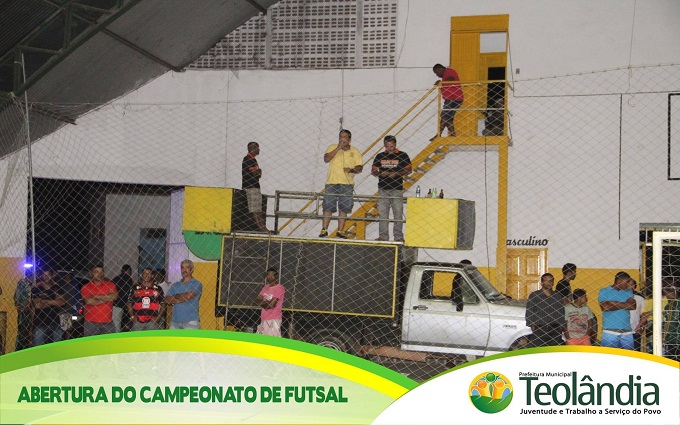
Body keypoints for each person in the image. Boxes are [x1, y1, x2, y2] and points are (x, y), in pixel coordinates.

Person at [319, 129, 363, 239]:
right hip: (331, 182)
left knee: (344, 207)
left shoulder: (355, 151)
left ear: (349, 139)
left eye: (344, 137)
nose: (342, 139)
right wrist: (338, 148)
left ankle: (340, 231)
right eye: (340, 137)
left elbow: (360, 167)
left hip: (347, 184)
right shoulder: (332, 147)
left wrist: (351, 170)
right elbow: (326, 159)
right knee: (328, 206)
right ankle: (324, 229)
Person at [371, 135, 412, 242]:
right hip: (383, 189)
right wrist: (381, 173)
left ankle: (398, 237)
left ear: (395, 144)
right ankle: (383, 236)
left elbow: (409, 169)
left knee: (398, 213)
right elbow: (373, 171)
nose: (390, 148)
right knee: (383, 214)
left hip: (397, 189)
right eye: (387, 146)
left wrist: (397, 174)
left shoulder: (402, 155)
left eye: (392, 146)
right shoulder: (380, 156)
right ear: (384, 145)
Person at [598, 271, 636, 350]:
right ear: (619, 281)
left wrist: (613, 302)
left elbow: (632, 306)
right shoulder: (604, 291)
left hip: (627, 331)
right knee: (609, 355)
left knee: (629, 356)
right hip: (610, 331)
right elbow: (605, 308)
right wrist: (624, 304)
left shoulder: (628, 292)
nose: (628, 284)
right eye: (627, 282)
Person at [525, 273, 565, 347]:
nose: (549, 283)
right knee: (539, 351)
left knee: (551, 351)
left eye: (551, 281)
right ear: (542, 283)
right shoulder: (535, 295)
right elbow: (529, 311)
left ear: (553, 282)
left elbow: (561, 312)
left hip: (554, 330)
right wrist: (532, 325)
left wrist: (561, 326)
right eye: (546, 281)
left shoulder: (557, 296)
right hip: (539, 329)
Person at [242, 142, 272, 234]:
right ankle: (262, 228)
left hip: (255, 186)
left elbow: (258, 174)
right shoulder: (248, 159)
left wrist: (258, 172)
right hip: (250, 187)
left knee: (258, 209)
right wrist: (258, 171)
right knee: (255, 210)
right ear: (252, 149)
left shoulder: (253, 160)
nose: (259, 150)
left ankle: (263, 227)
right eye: (257, 148)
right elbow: (256, 173)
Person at [31, 268, 66, 346]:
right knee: (38, 348)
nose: (46, 277)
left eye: (48, 275)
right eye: (44, 275)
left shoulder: (57, 288)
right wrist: (54, 301)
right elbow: (37, 305)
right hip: (40, 323)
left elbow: (62, 302)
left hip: (55, 323)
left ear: (52, 276)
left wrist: (46, 301)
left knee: (56, 348)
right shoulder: (36, 289)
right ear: (41, 276)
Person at [81, 265, 118, 337]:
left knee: (110, 342)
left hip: (107, 321)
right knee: (91, 343)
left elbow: (114, 297)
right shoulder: (86, 287)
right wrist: (107, 298)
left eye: (101, 272)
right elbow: (89, 301)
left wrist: (95, 296)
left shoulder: (110, 285)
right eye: (96, 272)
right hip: (90, 322)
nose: (99, 274)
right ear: (91, 273)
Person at [165, 259, 202, 329]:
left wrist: (175, 296)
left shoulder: (197, 284)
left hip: (191, 321)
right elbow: (167, 299)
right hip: (175, 321)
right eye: (182, 267)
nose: (184, 270)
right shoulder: (175, 285)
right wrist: (181, 298)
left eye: (187, 267)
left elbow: (188, 296)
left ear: (192, 269)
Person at [432, 63, 464, 139]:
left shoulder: (449, 71)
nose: (437, 75)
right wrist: (441, 82)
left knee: (444, 116)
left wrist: (441, 82)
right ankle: (453, 136)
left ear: (440, 69)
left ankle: (438, 135)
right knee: (448, 118)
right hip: (454, 99)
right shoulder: (445, 76)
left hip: (453, 98)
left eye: (436, 72)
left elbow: (451, 78)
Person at [254, 268, 286, 337]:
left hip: (273, 319)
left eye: (272, 275)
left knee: (272, 341)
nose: (270, 277)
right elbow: (256, 301)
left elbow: (271, 305)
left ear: (276, 276)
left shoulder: (279, 288)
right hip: (264, 318)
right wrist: (268, 303)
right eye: (268, 275)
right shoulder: (266, 287)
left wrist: (263, 301)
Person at [13, 271, 34, 351]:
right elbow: (17, 296)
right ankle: (19, 349)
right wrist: (20, 307)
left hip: (28, 311)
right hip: (23, 311)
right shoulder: (22, 283)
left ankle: (24, 348)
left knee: (27, 332)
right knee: (22, 331)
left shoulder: (30, 284)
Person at [112, 264, 134, 332]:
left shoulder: (116, 278)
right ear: (129, 271)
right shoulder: (128, 279)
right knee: (121, 325)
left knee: (116, 324)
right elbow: (128, 293)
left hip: (114, 304)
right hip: (123, 305)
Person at [661, 281, 679, 361]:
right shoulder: (670, 305)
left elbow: (670, 323)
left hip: (674, 339)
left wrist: (664, 337)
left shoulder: (673, 305)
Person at [628, 278, 645, 351]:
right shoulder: (618, 298)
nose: (630, 287)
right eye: (628, 285)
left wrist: (641, 327)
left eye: (632, 285)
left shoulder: (640, 298)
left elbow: (643, 314)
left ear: (635, 286)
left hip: (635, 331)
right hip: (620, 332)